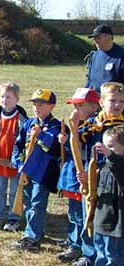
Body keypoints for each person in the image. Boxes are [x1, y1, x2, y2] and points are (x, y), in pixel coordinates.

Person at [71, 82, 124, 266]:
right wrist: (73, 130)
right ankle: (90, 255)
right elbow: (79, 144)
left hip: (115, 181)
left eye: (121, 101)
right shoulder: (93, 124)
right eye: (112, 101)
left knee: (110, 221)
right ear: (101, 102)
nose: (117, 105)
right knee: (91, 216)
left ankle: (109, 259)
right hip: (93, 178)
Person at [10, 89, 62, 252]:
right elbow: (18, 146)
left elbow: (55, 148)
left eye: (41, 104)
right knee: (28, 203)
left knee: (37, 204)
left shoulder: (57, 126)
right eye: (34, 104)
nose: (37, 108)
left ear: (51, 106)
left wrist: (40, 135)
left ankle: (32, 238)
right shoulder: (29, 123)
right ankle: (33, 231)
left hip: (43, 173)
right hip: (26, 171)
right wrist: (17, 163)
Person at [56, 88, 100, 264]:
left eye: (80, 105)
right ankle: (79, 247)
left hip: (94, 177)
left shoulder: (95, 126)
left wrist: (74, 132)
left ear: (94, 106)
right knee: (78, 213)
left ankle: (92, 254)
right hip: (80, 176)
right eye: (75, 105)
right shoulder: (81, 124)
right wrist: (69, 138)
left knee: (90, 217)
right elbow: (74, 150)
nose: (76, 110)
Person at [0, 82, 28, 231]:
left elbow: (25, 142)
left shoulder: (21, 117)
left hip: (14, 162)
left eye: (8, 97)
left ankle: (14, 218)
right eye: (2, 96)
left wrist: (17, 160)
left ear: (16, 99)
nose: (4, 100)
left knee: (15, 192)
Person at [88, 126, 124, 266]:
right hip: (102, 220)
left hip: (117, 225)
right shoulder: (104, 166)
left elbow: (118, 166)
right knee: (101, 254)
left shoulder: (119, 165)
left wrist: (110, 155)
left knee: (113, 257)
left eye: (111, 146)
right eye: (105, 146)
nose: (106, 150)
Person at [85, 24, 124, 93]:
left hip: (113, 100)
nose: (95, 40)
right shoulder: (95, 55)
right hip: (94, 100)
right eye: (94, 38)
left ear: (109, 37)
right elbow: (90, 79)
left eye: (98, 37)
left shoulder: (121, 55)